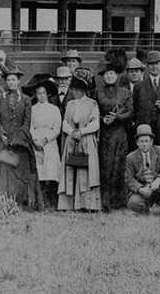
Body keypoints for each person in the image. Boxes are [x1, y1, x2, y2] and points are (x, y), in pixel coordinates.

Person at [0, 61, 33, 206]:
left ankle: (18, 199)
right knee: (1, 168)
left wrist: (17, 138)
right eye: (8, 80)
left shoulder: (26, 100)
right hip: (3, 139)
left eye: (13, 80)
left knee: (18, 167)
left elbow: (27, 122)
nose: (11, 82)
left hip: (19, 141)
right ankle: (1, 199)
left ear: (18, 81)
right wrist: (1, 134)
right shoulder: (0, 99)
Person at [57, 76, 101, 212]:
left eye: (78, 89)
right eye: (74, 89)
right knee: (70, 168)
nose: (75, 92)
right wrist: (71, 132)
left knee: (86, 170)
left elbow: (95, 124)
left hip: (86, 140)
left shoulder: (92, 104)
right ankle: (68, 204)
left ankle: (87, 204)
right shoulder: (70, 104)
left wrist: (82, 131)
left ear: (84, 90)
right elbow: (64, 122)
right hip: (71, 140)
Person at [95, 62, 132, 211]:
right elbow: (93, 110)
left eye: (112, 73)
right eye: (106, 74)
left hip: (120, 134)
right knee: (105, 166)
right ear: (103, 77)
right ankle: (105, 201)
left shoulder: (125, 92)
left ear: (116, 75)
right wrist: (102, 119)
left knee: (119, 166)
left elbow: (130, 112)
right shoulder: (97, 92)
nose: (109, 76)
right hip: (104, 134)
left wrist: (117, 117)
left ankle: (119, 201)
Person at [125, 124, 160, 216]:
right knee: (133, 202)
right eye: (141, 141)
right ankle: (146, 212)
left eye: (147, 141)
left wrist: (159, 179)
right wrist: (141, 189)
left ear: (152, 141)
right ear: (137, 142)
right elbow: (129, 179)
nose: (144, 144)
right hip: (144, 189)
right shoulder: (130, 157)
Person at [132, 51, 160, 154]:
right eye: (151, 64)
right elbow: (135, 110)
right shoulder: (139, 86)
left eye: (157, 63)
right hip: (146, 133)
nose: (154, 67)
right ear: (147, 66)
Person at [26, 75, 61, 211]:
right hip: (36, 142)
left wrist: (46, 139)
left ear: (48, 94)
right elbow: (30, 127)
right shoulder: (32, 109)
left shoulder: (54, 109)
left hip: (49, 142)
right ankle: (39, 201)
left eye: (43, 93)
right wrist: (35, 139)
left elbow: (57, 128)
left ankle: (51, 200)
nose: (41, 96)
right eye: (38, 93)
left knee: (51, 171)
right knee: (39, 172)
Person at [123, 57, 146, 150]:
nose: (134, 73)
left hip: (142, 127)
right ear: (127, 73)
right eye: (131, 71)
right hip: (125, 128)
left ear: (141, 73)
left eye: (137, 71)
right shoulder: (122, 89)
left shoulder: (146, 88)